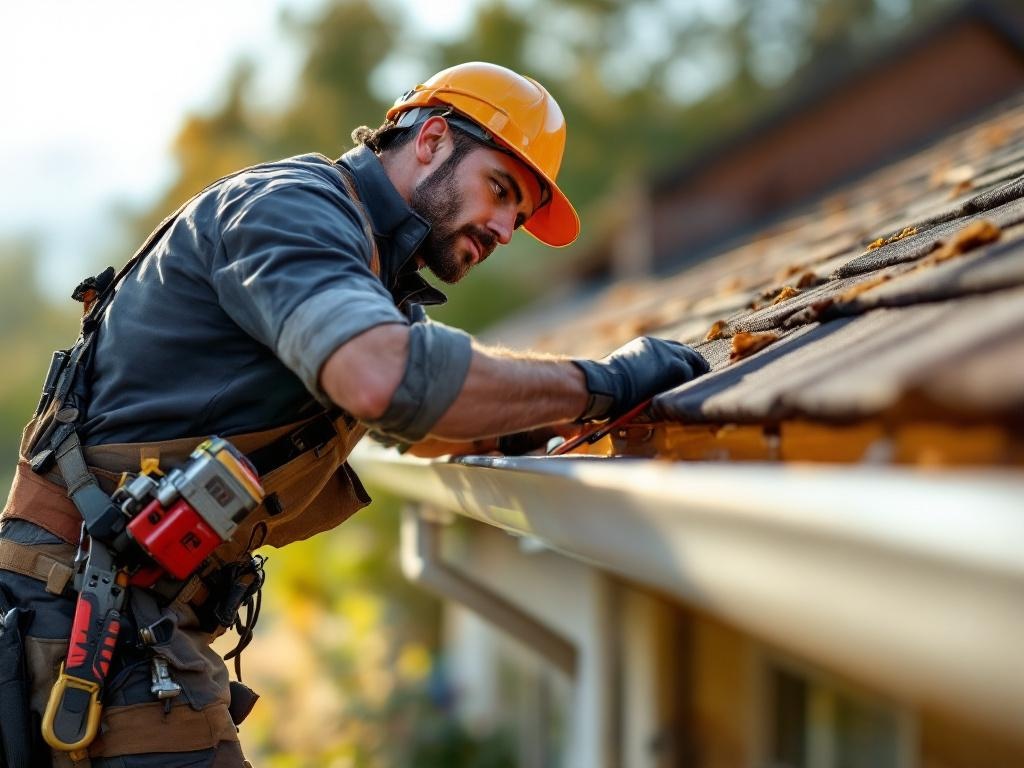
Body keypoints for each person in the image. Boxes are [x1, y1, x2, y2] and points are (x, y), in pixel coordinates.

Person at [0, 62, 708, 767]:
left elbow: (424, 420)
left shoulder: (366, 264)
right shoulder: (292, 211)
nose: (503, 228)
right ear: (430, 140)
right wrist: (602, 382)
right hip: (84, 611)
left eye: (517, 216)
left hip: (117, 609)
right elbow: (384, 379)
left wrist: (532, 415)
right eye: (500, 190)